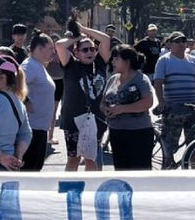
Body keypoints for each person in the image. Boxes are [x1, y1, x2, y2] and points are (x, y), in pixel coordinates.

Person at [55, 21, 112, 171]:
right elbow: (60, 46)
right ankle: (70, 190)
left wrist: (85, 30)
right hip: (73, 119)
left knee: (91, 159)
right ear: (76, 53)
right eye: (85, 50)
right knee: (73, 159)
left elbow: (106, 39)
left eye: (92, 49)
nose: (90, 52)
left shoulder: (100, 64)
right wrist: (78, 36)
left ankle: (90, 190)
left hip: (95, 119)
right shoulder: (70, 65)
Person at [153, 31, 195, 168]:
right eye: (177, 41)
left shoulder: (193, 60)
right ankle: (168, 168)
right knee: (170, 145)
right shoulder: (164, 60)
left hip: (192, 108)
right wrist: (161, 102)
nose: (181, 44)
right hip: (173, 107)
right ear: (170, 44)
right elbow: (158, 83)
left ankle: (193, 171)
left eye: (183, 41)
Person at [100, 45, 156, 170]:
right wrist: (106, 109)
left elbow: (148, 102)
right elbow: (103, 102)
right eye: (113, 59)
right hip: (116, 132)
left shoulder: (141, 79)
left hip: (139, 133)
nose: (113, 62)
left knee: (139, 173)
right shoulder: (113, 79)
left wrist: (121, 108)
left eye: (116, 59)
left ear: (127, 61)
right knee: (121, 171)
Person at [21, 32, 57, 171]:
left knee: (36, 167)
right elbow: (14, 86)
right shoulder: (29, 66)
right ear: (39, 49)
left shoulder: (39, 65)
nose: (53, 52)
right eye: (50, 48)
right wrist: (26, 100)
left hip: (40, 127)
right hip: (32, 128)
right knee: (30, 169)